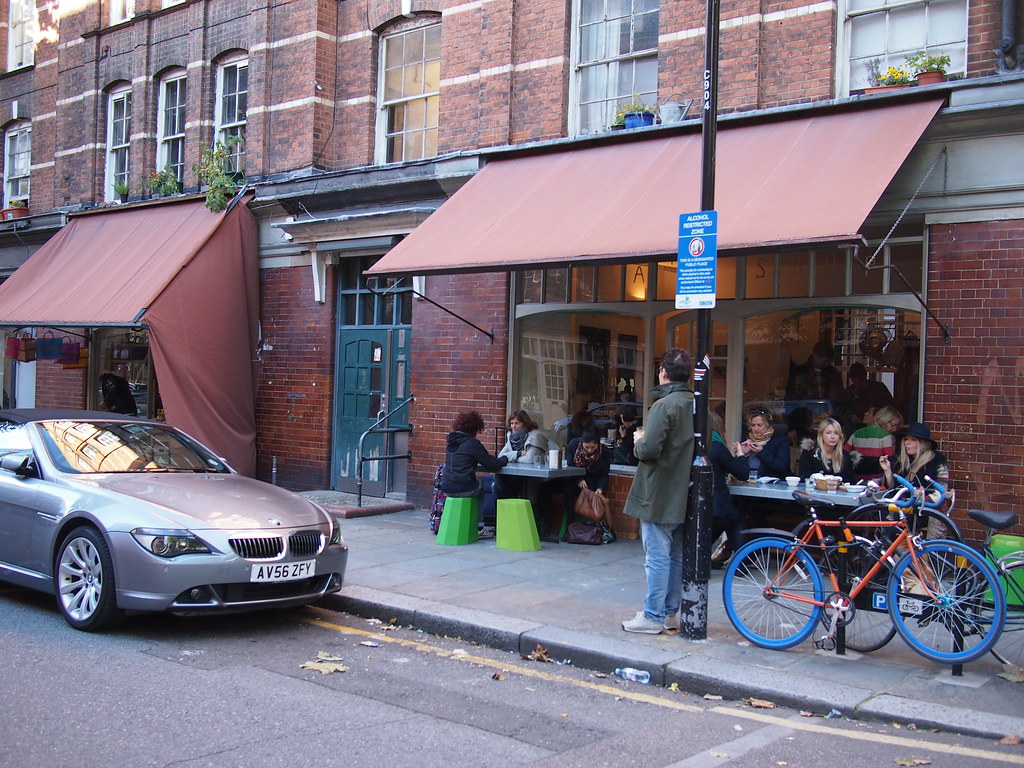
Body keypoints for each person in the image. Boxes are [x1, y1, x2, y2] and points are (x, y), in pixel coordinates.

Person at [621, 347, 695, 635]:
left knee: (657, 557)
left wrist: (639, 440)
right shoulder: (695, 404)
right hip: (683, 491)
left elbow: (649, 450)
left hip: (658, 491)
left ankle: (652, 616)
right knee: (675, 555)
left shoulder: (664, 406)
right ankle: (668, 614)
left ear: (663, 372)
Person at [439, 410, 509, 538]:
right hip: (463, 488)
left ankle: (459, 524)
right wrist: (505, 459)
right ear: (475, 428)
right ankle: (479, 527)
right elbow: (491, 464)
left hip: (446, 487)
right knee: (480, 485)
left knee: (476, 482)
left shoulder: (451, 441)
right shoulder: (472, 443)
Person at [879, 422, 952, 538]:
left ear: (923, 443)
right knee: (882, 511)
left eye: (913, 440)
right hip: (905, 510)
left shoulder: (936, 463)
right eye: (906, 439)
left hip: (926, 513)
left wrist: (920, 496)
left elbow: (941, 495)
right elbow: (896, 489)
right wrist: (887, 470)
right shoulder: (903, 462)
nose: (907, 443)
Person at [495, 409, 550, 534]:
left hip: (536, 478)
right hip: (517, 477)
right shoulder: (511, 437)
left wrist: (511, 456)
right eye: (512, 423)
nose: (513, 427)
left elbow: (529, 459)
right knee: (498, 481)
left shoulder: (535, 436)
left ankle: (534, 526)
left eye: (517, 423)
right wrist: (519, 453)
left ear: (524, 423)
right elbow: (501, 456)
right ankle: (507, 523)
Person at [708, 411, 749, 569]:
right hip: (716, 505)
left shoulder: (695, 445)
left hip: (697, 503)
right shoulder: (717, 446)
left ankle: (703, 559)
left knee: (718, 524)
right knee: (736, 520)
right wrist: (741, 455)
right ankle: (741, 564)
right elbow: (742, 473)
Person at [564, 426, 613, 540]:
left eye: (593, 447)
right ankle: (570, 525)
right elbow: (570, 466)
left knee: (597, 496)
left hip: (594, 482)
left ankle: (595, 528)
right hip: (575, 480)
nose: (590, 450)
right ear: (582, 443)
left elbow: (604, 474)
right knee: (568, 491)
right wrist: (579, 479)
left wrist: (600, 488)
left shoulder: (604, 452)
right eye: (587, 447)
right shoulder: (573, 445)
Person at [844, 405, 902, 482]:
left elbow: (844, 453)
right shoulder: (886, 435)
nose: (894, 429)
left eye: (897, 427)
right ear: (884, 419)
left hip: (857, 478)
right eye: (893, 425)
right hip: (877, 479)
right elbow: (890, 460)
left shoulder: (857, 432)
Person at [733, 407, 791, 480]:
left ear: (767, 425)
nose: (756, 429)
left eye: (759, 425)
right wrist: (742, 454)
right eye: (753, 425)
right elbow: (736, 470)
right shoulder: (747, 440)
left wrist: (761, 452)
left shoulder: (780, 440)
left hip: (773, 483)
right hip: (748, 481)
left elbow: (782, 467)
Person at [798, 417, 858, 482]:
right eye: (828, 433)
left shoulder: (846, 456)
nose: (833, 437)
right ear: (821, 435)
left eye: (836, 433)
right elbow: (804, 479)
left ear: (840, 436)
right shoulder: (809, 453)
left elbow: (851, 482)